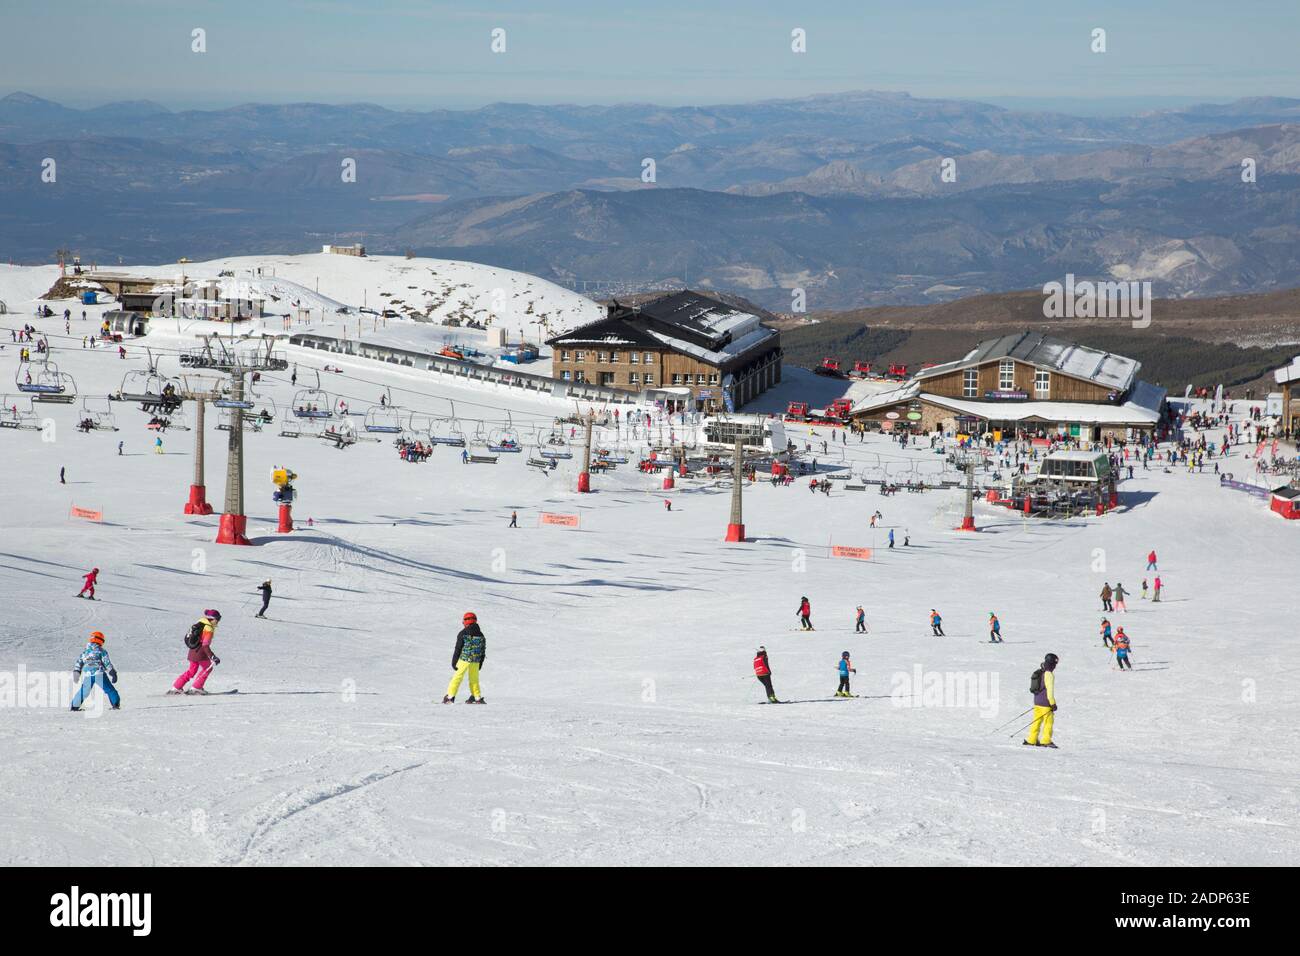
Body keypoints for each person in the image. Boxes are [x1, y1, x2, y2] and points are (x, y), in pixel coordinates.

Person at [169, 610, 221, 695]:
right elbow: (205, 645)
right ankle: (196, 687)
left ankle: (176, 687)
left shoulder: (200, 623)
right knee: (207, 668)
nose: (218, 621)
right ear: (212, 619)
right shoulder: (208, 628)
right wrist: (212, 657)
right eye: (218, 619)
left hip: (192, 651)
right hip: (201, 653)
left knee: (191, 671)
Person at [70, 631, 120, 712]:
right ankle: (115, 705)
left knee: (83, 691)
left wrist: (77, 672)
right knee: (110, 690)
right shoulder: (101, 651)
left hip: (88, 675)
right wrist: (112, 672)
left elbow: (79, 662)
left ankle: (74, 707)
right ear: (100, 640)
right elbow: (107, 662)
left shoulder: (85, 652)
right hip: (99, 674)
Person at [443, 612, 486, 704]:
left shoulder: (463, 633)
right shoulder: (481, 634)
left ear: (466, 621)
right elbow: (482, 651)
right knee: (474, 679)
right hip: (475, 661)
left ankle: (450, 697)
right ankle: (477, 697)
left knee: (457, 677)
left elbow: (458, 648)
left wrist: (454, 662)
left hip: (464, 660)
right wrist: (480, 663)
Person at [1024, 653, 1060, 748]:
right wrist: (1052, 703)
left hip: (1037, 701)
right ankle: (1046, 740)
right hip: (1045, 703)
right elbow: (1050, 691)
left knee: (1036, 721)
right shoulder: (1049, 675)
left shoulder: (1042, 672)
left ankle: (1031, 739)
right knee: (1048, 722)